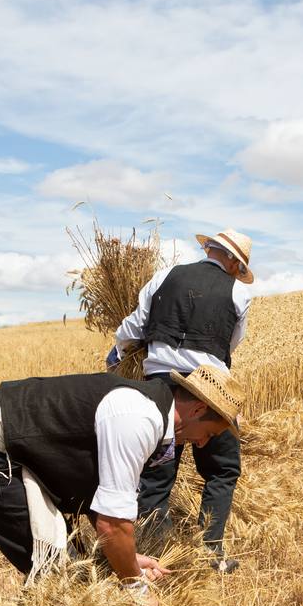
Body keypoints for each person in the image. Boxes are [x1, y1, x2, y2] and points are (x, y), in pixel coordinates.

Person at [0, 364, 243, 604]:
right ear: (198, 408)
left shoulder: (149, 414)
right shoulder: (140, 419)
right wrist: (138, 590)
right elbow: (111, 524)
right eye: (210, 434)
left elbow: (101, 502)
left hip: (2, 451)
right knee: (57, 571)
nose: (203, 445)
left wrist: (130, 562)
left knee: (75, 569)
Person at [112, 228, 255, 572]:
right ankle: (210, 555)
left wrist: (118, 351)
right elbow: (230, 345)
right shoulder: (239, 293)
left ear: (209, 249)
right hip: (209, 389)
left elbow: (133, 326)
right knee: (222, 470)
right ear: (234, 261)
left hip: (160, 386)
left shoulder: (165, 275)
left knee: (158, 472)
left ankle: (155, 556)